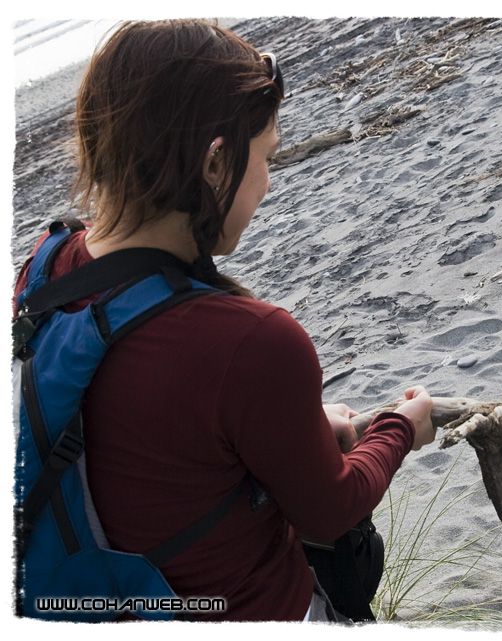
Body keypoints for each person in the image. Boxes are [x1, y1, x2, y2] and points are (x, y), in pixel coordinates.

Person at [13, 19, 435, 622]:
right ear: (216, 162)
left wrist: (293, 426)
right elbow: (331, 509)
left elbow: (143, 432)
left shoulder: (48, 265)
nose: (267, 181)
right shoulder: (252, 341)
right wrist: (399, 428)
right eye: (266, 156)